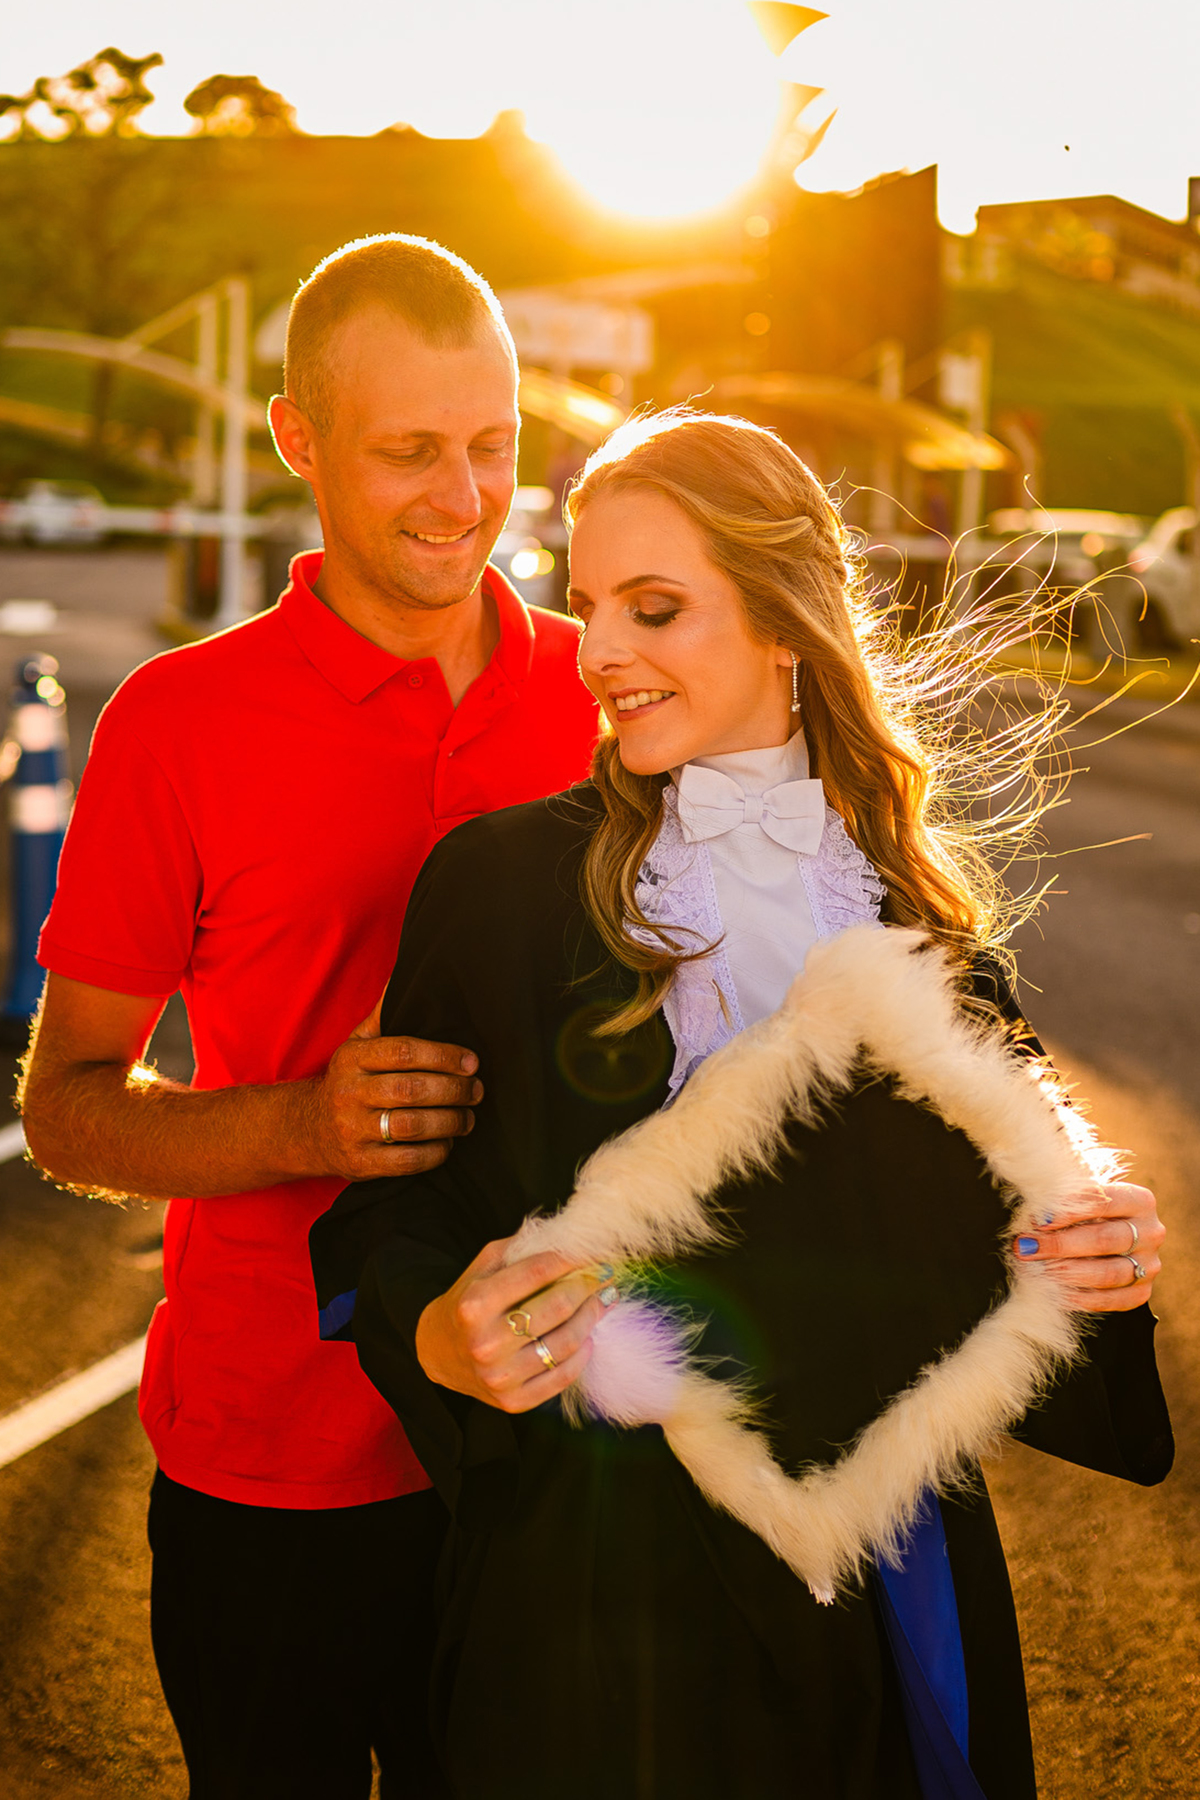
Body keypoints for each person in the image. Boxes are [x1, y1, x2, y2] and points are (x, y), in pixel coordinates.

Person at [311, 410, 1172, 1800]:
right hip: (590, 1584)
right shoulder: (497, 889)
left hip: (883, 1583)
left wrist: (1094, 1263)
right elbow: (386, 1211)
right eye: (585, 604)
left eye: (656, 608)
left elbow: (980, 1259)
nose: (597, 653)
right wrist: (436, 1330)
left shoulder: (917, 921)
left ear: (787, 624)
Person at [18, 234, 603, 1799]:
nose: (464, 497)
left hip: (552, 1444)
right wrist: (299, 1121)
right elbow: (66, 1104)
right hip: (271, 1461)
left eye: (493, 447)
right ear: (297, 440)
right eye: (409, 451)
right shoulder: (176, 723)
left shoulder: (604, 696)